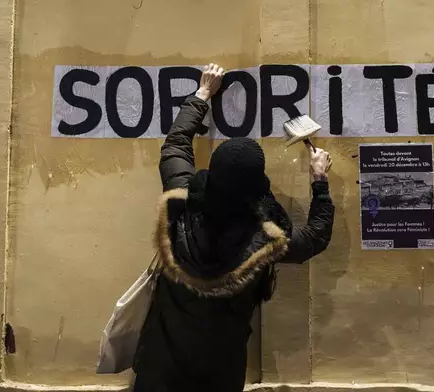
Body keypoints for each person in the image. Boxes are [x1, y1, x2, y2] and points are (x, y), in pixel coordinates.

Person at [132, 64, 335, 392]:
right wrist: (320, 181)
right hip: (220, 373)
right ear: (257, 186)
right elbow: (315, 237)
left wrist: (202, 94)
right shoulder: (266, 240)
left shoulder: (182, 204)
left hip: (159, 369)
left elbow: (175, 146)